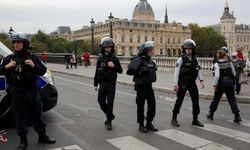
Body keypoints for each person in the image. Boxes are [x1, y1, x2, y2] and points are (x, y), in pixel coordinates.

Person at [0, 33, 55, 150]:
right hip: (17, 93)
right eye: (14, 43)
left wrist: (34, 65)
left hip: (32, 92)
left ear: (25, 44)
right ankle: (23, 141)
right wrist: (6, 67)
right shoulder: (9, 58)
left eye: (19, 42)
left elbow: (42, 71)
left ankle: (42, 135)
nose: (16, 45)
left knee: (37, 115)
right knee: (20, 117)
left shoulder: (32, 57)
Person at [171, 39, 205, 127]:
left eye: (190, 48)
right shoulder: (180, 59)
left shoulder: (195, 59)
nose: (188, 50)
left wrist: (201, 80)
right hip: (183, 82)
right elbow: (176, 72)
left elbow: (198, 69)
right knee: (179, 100)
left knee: (195, 100)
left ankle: (195, 119)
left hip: (192, 82)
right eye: (187, 49)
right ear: (184, 49)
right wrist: (175, 84)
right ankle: (174, 118)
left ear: (193, 49)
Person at [127, 41, 158, 133]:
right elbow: (129, 72)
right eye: (150, 50)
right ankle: (141, 124)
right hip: (140, 87)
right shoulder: (138, 60)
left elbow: (154, 69)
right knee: (140, 107)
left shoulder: (150, 60)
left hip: (149, 86)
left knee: (152, 106)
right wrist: (140, 71)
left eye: (152, 50)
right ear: (144, 51)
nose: (151, 52)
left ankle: (149, 123)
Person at [94, 37, 123, 130]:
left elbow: (121, 71)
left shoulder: (114, 58)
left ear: (112, 47)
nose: (108, 49)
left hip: (111, 83)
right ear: (103, 48)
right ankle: (110, 115)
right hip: (102, 83)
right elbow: (96, 71)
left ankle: (109, 121)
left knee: (110, 102)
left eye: (109, 47)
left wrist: (114, 66)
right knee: (100, 101)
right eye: (106, 47)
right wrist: (95, 84)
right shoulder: (100, 58)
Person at [207, 50, 241, 123]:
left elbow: (217, 76)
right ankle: (237, 115)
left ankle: (211, 114)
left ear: (218, 56)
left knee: (216, 99)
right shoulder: (230, 63)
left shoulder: (217, 64)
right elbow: (234, 74)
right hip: (230, 82)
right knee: (232, 99)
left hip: (221, 83)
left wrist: (214, 84)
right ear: (225, 55)